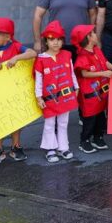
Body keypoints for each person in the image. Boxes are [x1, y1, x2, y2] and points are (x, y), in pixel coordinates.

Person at [0, 17, 37, 165]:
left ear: (7, 36)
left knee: (15, 120)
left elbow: (33, 53)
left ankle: (15, 146)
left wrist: (17, 57)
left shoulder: (16, 47)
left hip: (13, 94)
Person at [34, 20, 79, 163]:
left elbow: (71, 72)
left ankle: (63, 148)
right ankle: (50, 149)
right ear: (46, 41)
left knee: (63, 122)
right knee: (49, 123)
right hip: (49, 99)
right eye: (52, 39)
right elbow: (38, 80)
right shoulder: (40, 59)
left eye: (59, 39)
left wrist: (76, 87)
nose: (56, 43)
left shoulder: (67, 55)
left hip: (65, 96)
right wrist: (39, 97)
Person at [71, 24, 112, 155]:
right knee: (90, 119)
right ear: (88, 37)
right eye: (93, 33)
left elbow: (105, 61)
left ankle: (98, 138)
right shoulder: (82, 56)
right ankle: (84, 140)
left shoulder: (97, 50)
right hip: (89, 94)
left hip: (100, 92)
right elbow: (84, 74)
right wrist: (103, 73)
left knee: (100, 117)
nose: (96, 35)